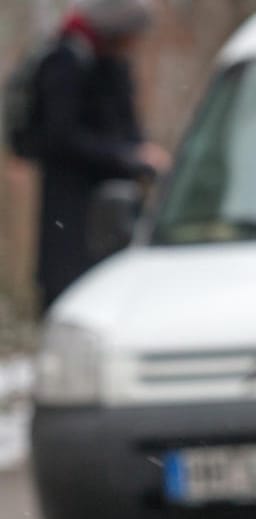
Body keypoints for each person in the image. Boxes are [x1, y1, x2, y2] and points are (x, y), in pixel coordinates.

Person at [29, 0, 168, 315]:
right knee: (71, 296)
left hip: (111, 210)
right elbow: (60, 136)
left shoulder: (110, 62)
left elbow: (123, 122)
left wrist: (141, 156)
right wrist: (127, 157)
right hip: (71, 211)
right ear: (115, 31)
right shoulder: (67, 60)